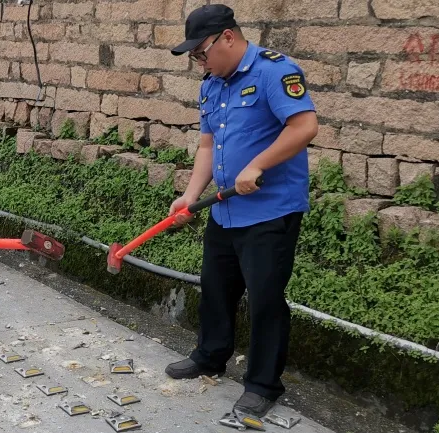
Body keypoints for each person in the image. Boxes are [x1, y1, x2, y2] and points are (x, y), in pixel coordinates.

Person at [165, 4, 318, 420]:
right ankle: (210, 356)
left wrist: (259, 165)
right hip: (224, 209)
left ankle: (263, 385)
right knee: (216, 288)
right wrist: (190, 194)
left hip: (270, 212)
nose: (200, 61)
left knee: (265, 299)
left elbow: (304, 127)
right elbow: (206, 145)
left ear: (227, 38)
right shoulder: (212, 84)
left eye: (201, 52)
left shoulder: (276, 71)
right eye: (195, 56)